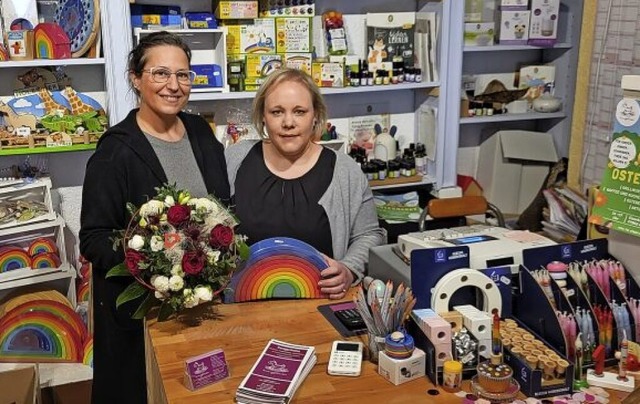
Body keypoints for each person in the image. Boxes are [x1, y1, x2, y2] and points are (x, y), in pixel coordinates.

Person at [79, 31, 229, 404]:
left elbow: (223, 207)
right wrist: (154, 259)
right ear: (135, 77)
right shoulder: (116, 151)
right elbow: (93, 238)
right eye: (160, 74)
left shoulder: (200, 132)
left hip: (203, 306)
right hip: (143, 316)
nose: (173, 86)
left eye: (183, 75)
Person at [225, 68, 385, 298]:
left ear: (316, 115)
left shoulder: (344, 171)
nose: (288, 122)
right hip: (241, 306)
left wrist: (349, 269)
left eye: (299, 111)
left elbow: (369, 235)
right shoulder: (235, 159)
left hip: (319, 307)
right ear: (262, 115)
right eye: (277, 112)